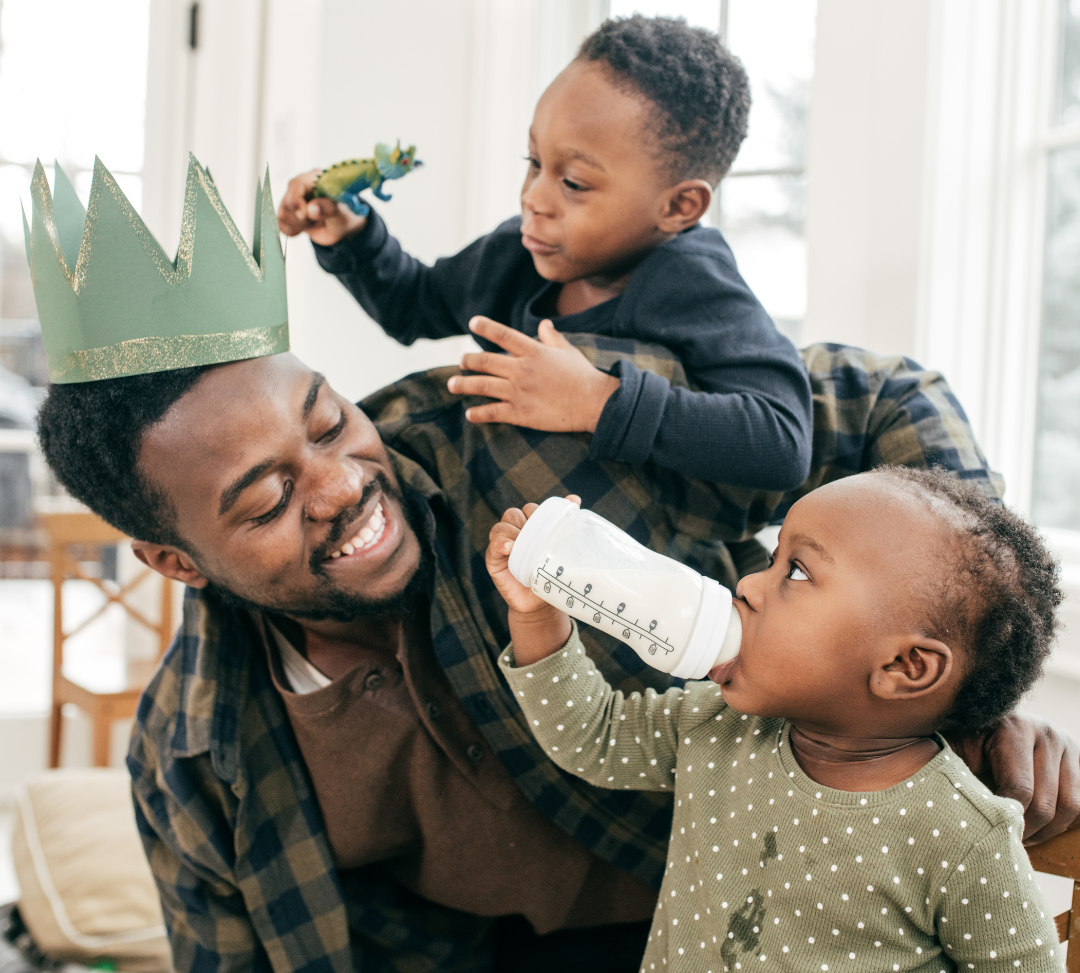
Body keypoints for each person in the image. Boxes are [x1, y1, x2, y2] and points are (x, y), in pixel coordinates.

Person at [27, 158, 1079, 973]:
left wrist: (965, 669)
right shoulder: (193, 757)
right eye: (264, 500)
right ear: (176, 560)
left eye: (329, 421)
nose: (344, 484)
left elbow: (885, 393)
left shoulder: (528, 420)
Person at [489, 469, 1067, 972]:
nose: (745, 584)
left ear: (903, 666)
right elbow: (595, 737)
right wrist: (537, 615)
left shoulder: (963, 837)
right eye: (772, 560)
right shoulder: (717, 724)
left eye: (795, 572)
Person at [278, 15, 813, 491]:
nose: (533, 198)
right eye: (533, 161)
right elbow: (412, 305)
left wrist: (595, 400)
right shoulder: (512, 255)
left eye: (574, 183)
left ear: (679, 207)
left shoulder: (694, 283)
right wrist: (350, 236)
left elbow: (783, 442)